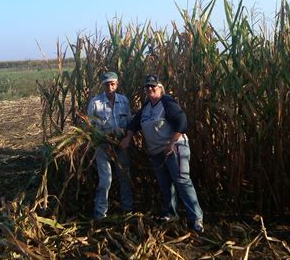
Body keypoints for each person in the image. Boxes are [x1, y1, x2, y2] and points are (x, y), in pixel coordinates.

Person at [119, 74, 204, 232]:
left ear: (160, 88)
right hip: (156, 152)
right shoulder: (146, 107)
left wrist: (171, 143)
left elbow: (181, 122)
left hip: (174, 148)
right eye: (147, 87)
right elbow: (134, 123)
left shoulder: (167, 103)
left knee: (182, 181)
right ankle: (170, 214)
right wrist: (128, 138)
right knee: (165, 184)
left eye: (153, 86)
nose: (150, 89)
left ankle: (196, 218)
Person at [87, 71, 133, 220]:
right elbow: (89, 127)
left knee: (124, 177)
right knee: (105, 180)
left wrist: (125, 137)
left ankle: (128, 209)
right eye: (107, 84)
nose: (110, 87)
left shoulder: (124, 101)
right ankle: (100, 214)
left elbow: (130, 122)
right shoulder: (95, 102)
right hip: (103, 147)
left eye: (113, 84)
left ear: (117, 84)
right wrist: (101, 139)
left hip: (121, 145)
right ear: (103, 85)